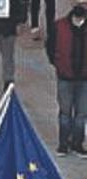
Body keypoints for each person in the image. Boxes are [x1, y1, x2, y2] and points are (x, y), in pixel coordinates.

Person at [48, 3, 87, 156]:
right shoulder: (59, 26)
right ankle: (63, 143)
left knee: (81, 114)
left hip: (84, 78)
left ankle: (77, 144)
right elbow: (50, 47)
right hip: (65, 77)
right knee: (65, 113)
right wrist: (57, 63)